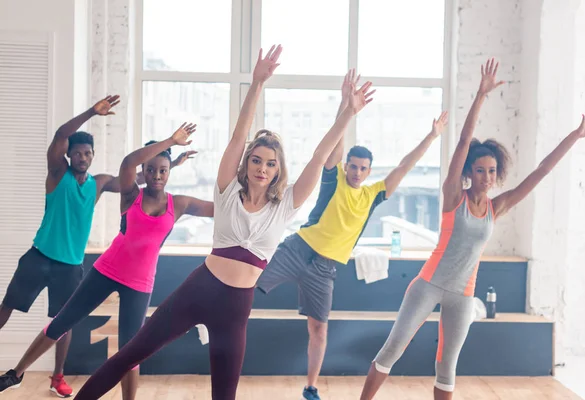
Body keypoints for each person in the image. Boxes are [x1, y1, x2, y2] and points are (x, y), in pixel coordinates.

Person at [71, 44, 374, 400]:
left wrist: (347, 114)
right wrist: (257, 83)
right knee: (130, 354)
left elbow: (320, 156)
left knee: (224, 395)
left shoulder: (286, 205)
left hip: (236, 308)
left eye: (271, 163)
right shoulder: (227, 189)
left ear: (279, 170)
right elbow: (237, 136)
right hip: (199, 289)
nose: (262, 168)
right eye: (257, 160)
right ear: (247, 164)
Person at [359, 58, 585, 400]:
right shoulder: (453, 196)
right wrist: (481, 95)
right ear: (470, 172)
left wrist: (576, 136)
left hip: (463, 296)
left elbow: (542, 171)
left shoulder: (496, 207)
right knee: (392, 350)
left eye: (492, 171)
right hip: (427, 285)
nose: (487, 177)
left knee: (448, 367)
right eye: (480, 170)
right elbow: (462, 143)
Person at [256, 68, 449, 400]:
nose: (357, 171)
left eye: (363, 168)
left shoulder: (373, 194)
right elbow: (333, 145)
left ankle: (311, 387)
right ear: (347, 166)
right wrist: (347, 105)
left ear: (369, 171)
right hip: (297, 249)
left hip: (325, 269)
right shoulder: (333, 180)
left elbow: (404, 165)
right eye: (353, 166)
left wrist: (432, 137)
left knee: (318, 329)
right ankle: (210, 316)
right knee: (248, 287)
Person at [0, 124, 213, 399]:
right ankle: (15, 374)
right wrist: (170, 140)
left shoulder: (179, 203)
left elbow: (216, 209)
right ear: (143, 172)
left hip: (140, 283)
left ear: (170, 171)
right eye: (150, 169)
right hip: (107, 270)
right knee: (60, 323)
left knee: (130, 350)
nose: (156, 175)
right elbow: (128, 163)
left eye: (162, 170)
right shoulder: (131, 194)